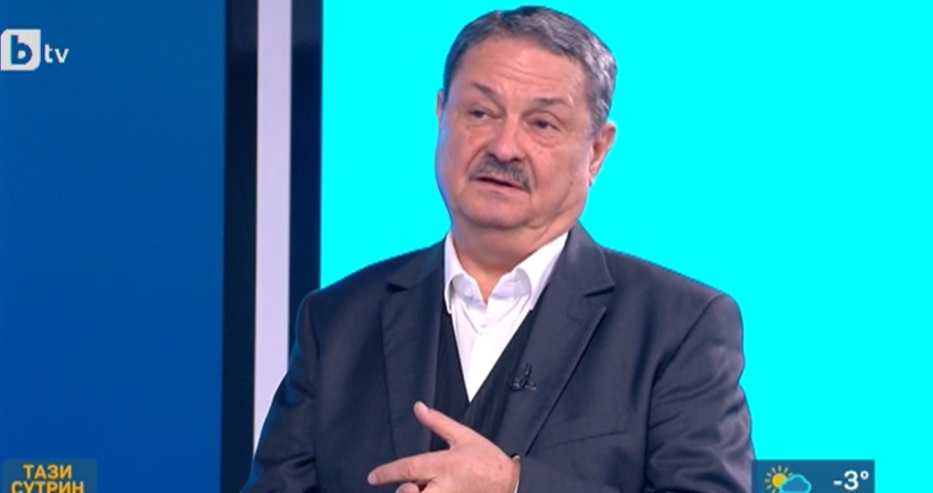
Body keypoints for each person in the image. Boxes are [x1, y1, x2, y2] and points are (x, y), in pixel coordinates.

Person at [242, 6, 753, 493]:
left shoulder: (679, 326)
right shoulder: (336, 321)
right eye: (481, 112)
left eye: (542, 124)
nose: (504, 147)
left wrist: (513, 485)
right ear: (441, 114)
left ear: (597, 150)